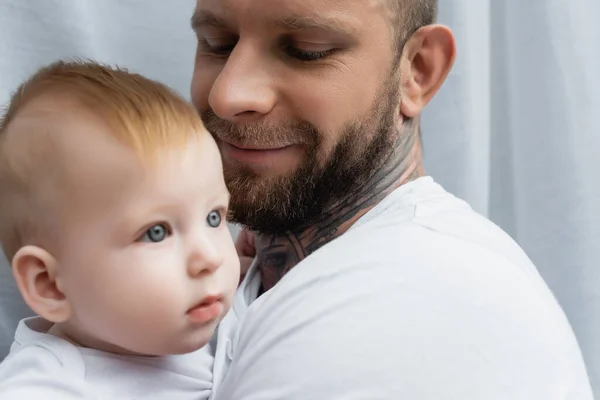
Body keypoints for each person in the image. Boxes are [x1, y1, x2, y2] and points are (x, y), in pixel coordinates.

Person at [190, 0, 595, 398]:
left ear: (418, 71)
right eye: (217, 42)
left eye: (306, 51)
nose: (228, 94)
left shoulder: (407, 301)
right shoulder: (239, 278)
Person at [0, 60, 240, 398]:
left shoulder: (225, 317)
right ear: (50, 284)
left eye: (213, 218)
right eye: (156, 232)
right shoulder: (48, 385)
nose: (209, 258)